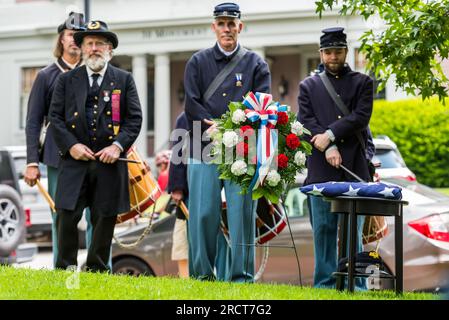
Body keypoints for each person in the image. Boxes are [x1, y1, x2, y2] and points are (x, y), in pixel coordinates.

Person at [184, 3, 271, 282]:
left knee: (242, 215)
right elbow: (191, 103)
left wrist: (230, 126)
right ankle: (202, 275)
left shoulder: (257, 64)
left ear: (240, 27)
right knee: (203, 214)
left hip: (242, 147)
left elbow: (261, 106)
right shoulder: (197, 62)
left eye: (231, 24)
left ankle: (241, 276)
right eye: (221, 23)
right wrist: (215, 126)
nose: (227, 29)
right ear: (214, 27)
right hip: (203, 144)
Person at [48, 20, 142, 272]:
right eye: (88, 43)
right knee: (66, 216)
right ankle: (66, 271)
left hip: (109, 164)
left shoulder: (124, 79)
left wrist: (118, 147)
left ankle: (97, 271)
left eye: (99, 43)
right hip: (74, 162)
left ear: (109, 48)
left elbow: (134, 119)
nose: (93, 48)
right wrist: (71, 146)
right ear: (82, 48)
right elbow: (54, 119)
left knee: (104, 219)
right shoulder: (66, 80)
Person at [297, 27, 373, 289]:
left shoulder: (363, 83)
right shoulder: (308, 86)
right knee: (324, 230)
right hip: (320, 167)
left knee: (354, 232)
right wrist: (326, 147)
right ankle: (325, 285)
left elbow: (360, 117)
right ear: (320, 53)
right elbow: (305, 121)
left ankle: (356, 285)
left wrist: (329, 135)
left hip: (355, 166)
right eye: (328, 52)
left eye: (337, 51)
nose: (332, 57)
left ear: (346, 51)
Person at [23, 12, 97, 267]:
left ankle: (98, 270)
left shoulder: (95, 73)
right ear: (61, 40)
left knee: (96, 214)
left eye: (79, 36)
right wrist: (32, 161)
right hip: (58, 156)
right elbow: (33, 121)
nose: (74, 40)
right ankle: (61, 269)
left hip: (93, 153)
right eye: (69, 35)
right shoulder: (46, 76)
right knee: (62, 215)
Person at [167, 112, 189, 279]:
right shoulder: (184, 118)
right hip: (187, 192)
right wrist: (177, 187)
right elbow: (177, 152)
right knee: (183, 244)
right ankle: (186, 279)